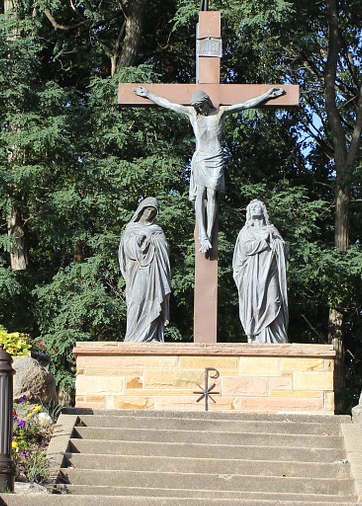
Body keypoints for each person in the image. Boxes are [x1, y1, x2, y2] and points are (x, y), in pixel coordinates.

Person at [132, 85, 284, 254]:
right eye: (198, 107)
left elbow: (245, 104)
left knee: (212, 195)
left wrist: (267, 95)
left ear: (207, 102)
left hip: (216, 158)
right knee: (200, 194)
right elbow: (169, 104)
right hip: (201, 158)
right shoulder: (193, 114)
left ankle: (210, 233)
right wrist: (148, 95)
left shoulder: (221, 112)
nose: (200, 109)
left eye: (202, 106)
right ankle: (202, 234)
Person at [232, 199, 289, 344]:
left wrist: (276, 243)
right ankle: (258, 338)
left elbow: (284, 249)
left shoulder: (272, 229)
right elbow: (245, 249)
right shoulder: (246, 231)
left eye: (257, 207)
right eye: (251, 208)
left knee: (274, 301)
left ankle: (276, 338)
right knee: (255, 306)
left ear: (263, 211)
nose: (254, 209)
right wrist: (264, 241)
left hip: (270, 272)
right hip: (253, 276)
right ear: (248, 213)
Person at [119, 197, 171, 342]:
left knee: (154, 301)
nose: (149, 213)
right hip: (139, 271)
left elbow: (165, 249)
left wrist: (152, 240)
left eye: (153, 211)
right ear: (141, 210)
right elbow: (126, 250)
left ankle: (151, 335)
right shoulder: (132, 228)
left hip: (155, 272)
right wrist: (137, 242)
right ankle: (133, 335)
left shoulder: (157, 230)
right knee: (137, 300)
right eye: (148, 209)